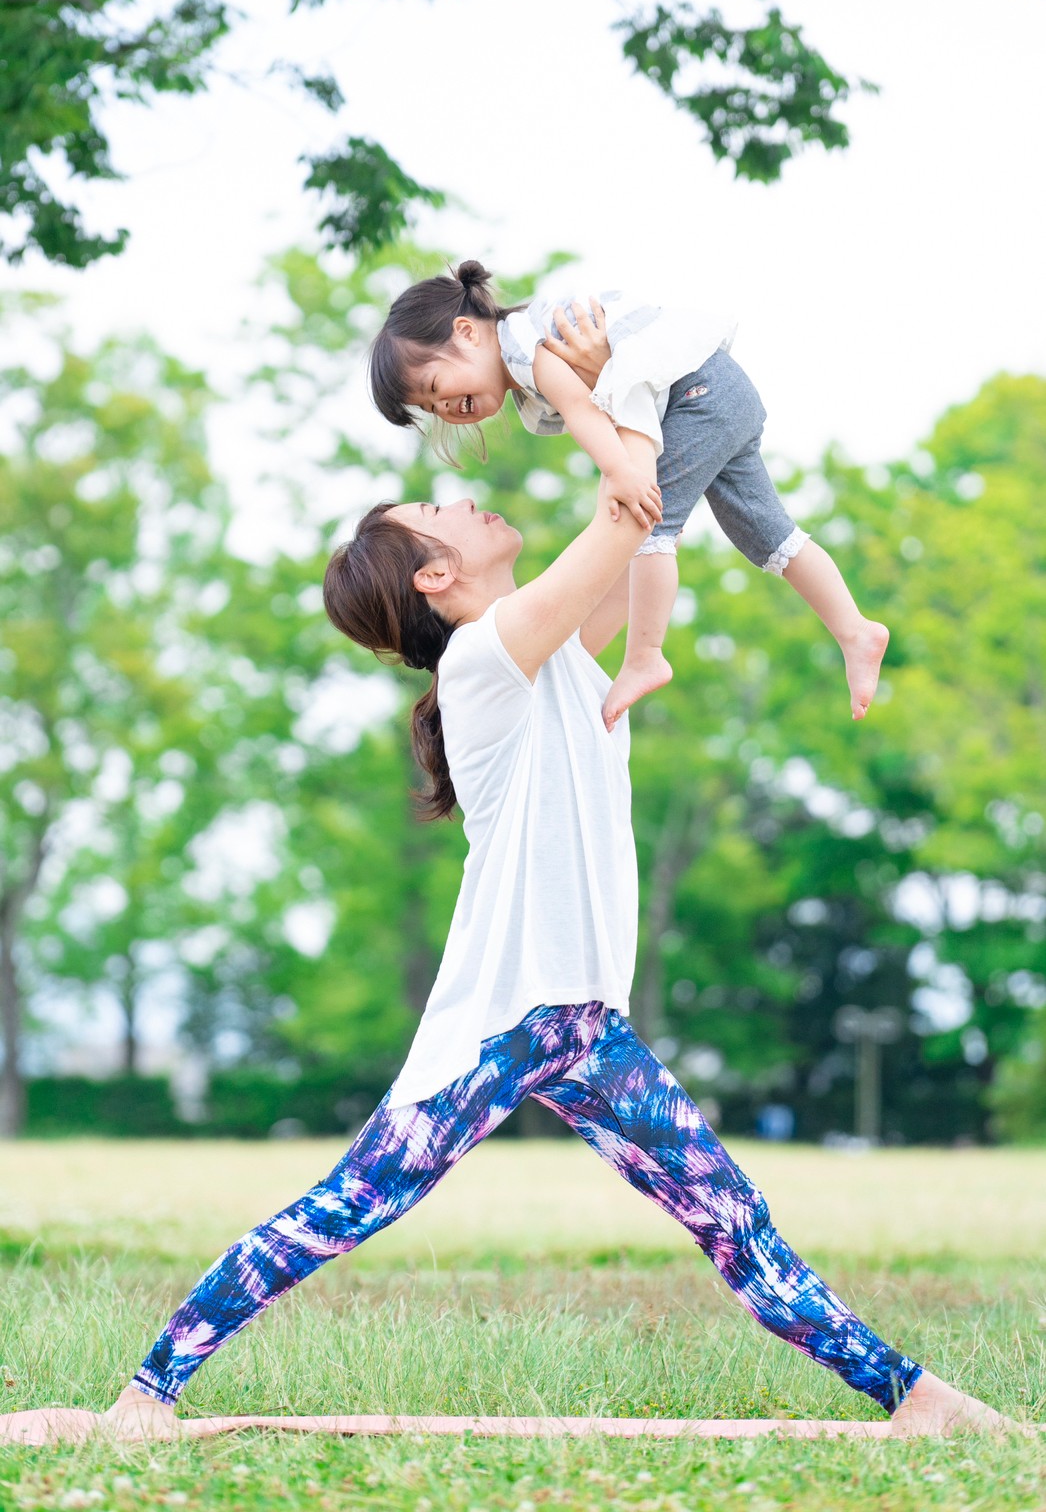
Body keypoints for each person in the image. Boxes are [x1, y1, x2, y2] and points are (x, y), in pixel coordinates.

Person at [103, 376, 1006, 1440]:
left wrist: (667, 392)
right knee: (345, 1208)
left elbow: (648, 516)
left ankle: (916, 1398)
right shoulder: (486, 661)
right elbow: (622, 509)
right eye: (436, 514)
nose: (463, 499)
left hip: (584, 1024)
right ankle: (144, 1394)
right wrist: (583, 393)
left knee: (732, 1220)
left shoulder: (567, 662)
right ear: (436, 576)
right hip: (499, 1025)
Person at [368, 264, 889, 729]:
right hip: (717, 392)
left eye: (437, 385)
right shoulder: (520, 366)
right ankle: (854, 630)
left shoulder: (524, 346)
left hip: (696, 397)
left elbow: (581, 408)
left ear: (467, 333)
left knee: (645, 524)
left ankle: (645, 655)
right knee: (768, 535)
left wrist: (619, 472)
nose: (447, 408)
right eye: (432, 409)